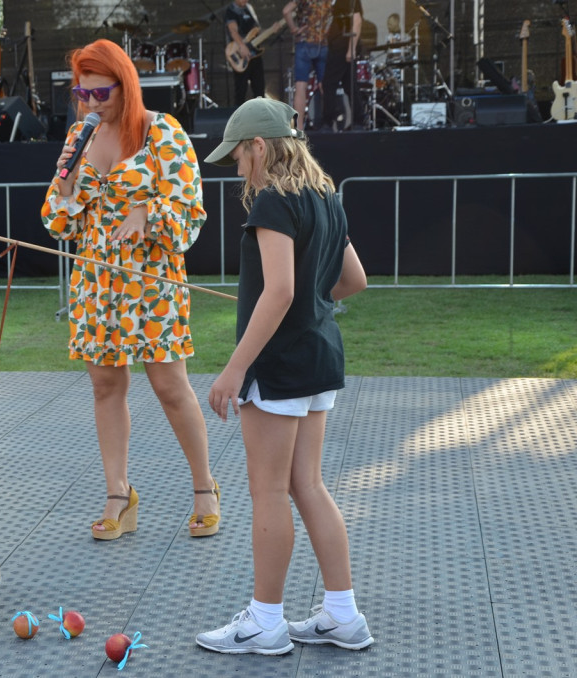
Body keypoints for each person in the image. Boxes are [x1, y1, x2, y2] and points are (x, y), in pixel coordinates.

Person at [194, 97, 370, 655]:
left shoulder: (273, 200)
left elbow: (281, 291)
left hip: (279, 366)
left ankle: (265, 621)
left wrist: (234, 368)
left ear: (261, 147)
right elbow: (353, 280)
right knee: (307, 485)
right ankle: (342, 614)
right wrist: (306, 308)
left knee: (268, 491)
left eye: (240, 157)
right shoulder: (325, 196)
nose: (238, 168)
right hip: (319, 357)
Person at [41, 39, 219, 541]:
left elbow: (191, 211)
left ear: (125, 85)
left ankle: (204, 487)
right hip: (97, 282)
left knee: (168, 385)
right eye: (83, 94)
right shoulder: (80, 136)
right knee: (105, 386)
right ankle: (118, 493)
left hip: (152, 281)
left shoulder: (163, 132)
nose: (92, 104)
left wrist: (148, 212)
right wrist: (71, 181)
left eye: (101, 93)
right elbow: (56, 221)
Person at [282, 0, 331, 131]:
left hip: (304, 41)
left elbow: (286, 11)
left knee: (300, 86)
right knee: (324, 85)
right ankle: (328, 123)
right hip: (323, 42)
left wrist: (293, 28)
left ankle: (298, 128)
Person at [320, 0, 363, 131]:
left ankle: (327, 122)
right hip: (335, 45)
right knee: (349, 85)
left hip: (342, 45)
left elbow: (357, 21)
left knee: (329, 83)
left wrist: (351, 48)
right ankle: (358, 121)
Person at [226, 0, 267, 107]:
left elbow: (256, 30)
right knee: (241, 91)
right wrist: (242, 45)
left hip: (255, 54)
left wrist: (271, 30)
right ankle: (239, 121)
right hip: (240, 54)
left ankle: (260, 119)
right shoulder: (230, 10)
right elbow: (233, 31)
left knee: (260, 90)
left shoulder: (250, 9)